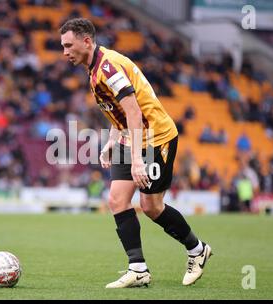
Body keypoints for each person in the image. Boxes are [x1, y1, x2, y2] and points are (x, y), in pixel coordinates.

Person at [60, 18, 212, 288]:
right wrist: (112, 139)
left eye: (69, 45)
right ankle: (138, 269)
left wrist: (138, 161)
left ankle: (197, 249)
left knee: (151, 207)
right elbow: (119, 110)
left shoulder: (106, 68)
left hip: (155, 137)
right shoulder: (95, 66)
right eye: (63, 46)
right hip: (132, 136)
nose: (65, 52)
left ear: (86, 41)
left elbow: (133, 110)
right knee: (117, 200)